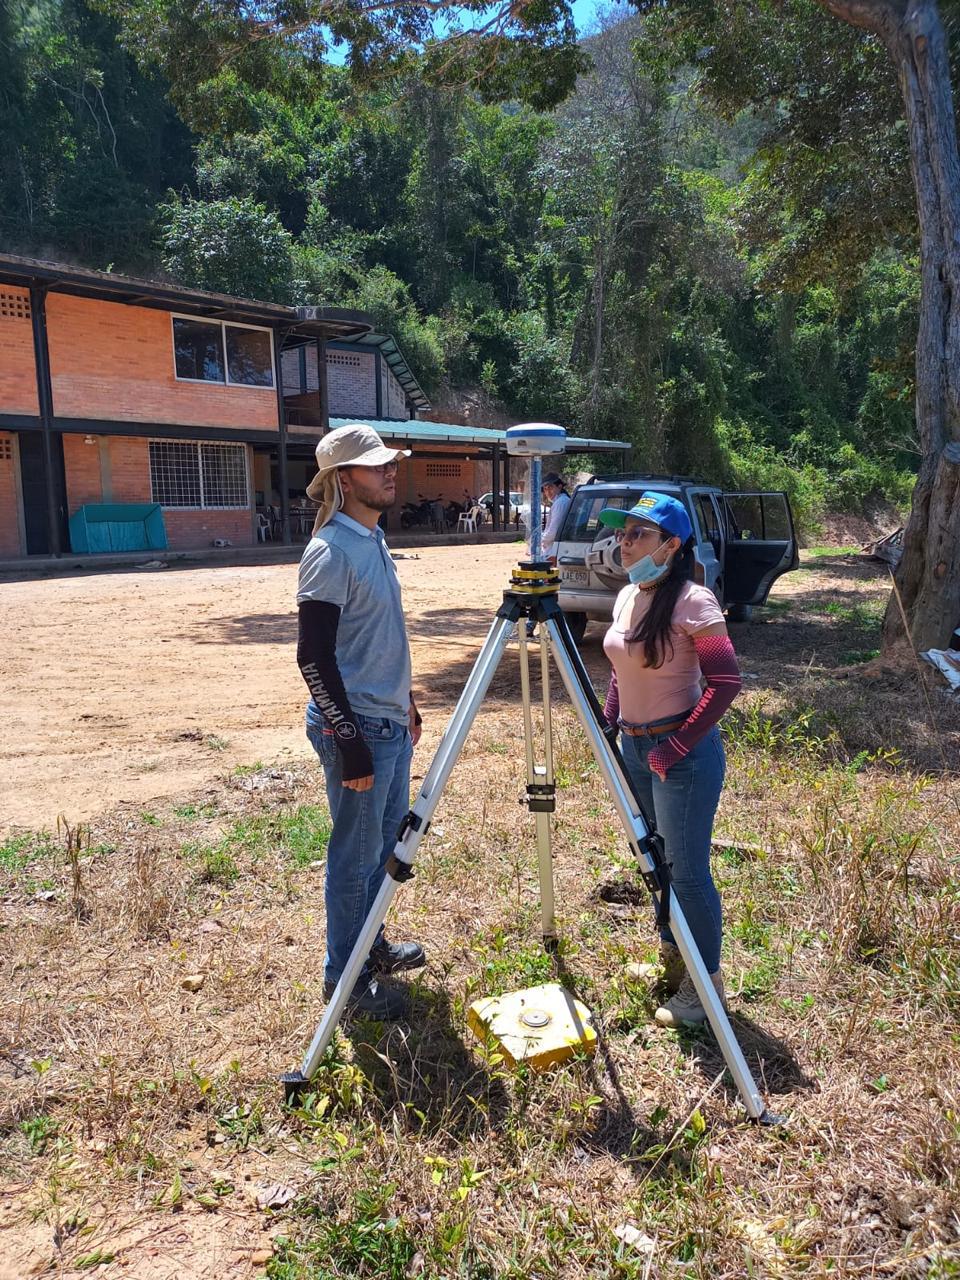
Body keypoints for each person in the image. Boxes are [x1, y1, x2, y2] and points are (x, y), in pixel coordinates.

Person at [598, 492, 742, 1027]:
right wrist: (609, 726)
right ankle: (674, 960)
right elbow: (618, 671)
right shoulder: (629, 594)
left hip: (680, 755)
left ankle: (705, 990)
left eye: (638, 533)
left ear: (672, 544)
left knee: (687, 873)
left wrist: (675, 747)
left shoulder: (694, 602)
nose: (624, 541)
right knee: (654, 861)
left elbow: (725, 683)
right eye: (623, 531)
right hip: (636, 749)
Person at [296, 423, 425, 1020]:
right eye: (377, 466)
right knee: (354, 856)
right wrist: (349, 743)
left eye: (390, 464)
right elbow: (314, 657)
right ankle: (342, 983)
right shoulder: (330, 550)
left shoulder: (372, 540)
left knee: (380, 851)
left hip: (388, 723)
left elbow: (376, 639)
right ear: (345, 480)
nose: (390, 472)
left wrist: (407, 700)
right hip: (356, 731)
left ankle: (368, 949)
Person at [526, 472, 572, 635]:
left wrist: (537, 543)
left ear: (559, 486)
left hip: (552, 552)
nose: (548, 492)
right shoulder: (561, 502)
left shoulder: (561, 503)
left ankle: (531, 624)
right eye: (545, 489)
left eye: (550, 487)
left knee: (540, 589)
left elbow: (552, 532)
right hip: (552, 550)